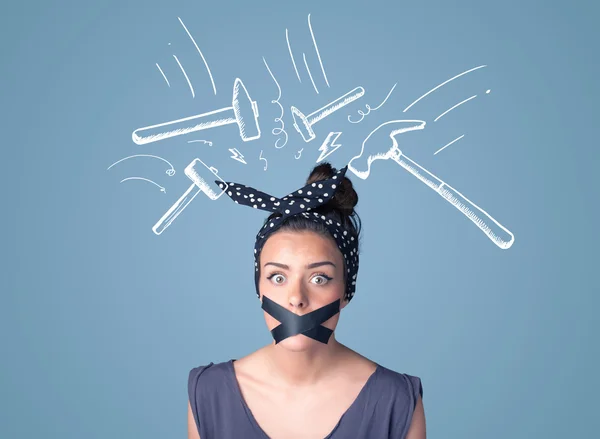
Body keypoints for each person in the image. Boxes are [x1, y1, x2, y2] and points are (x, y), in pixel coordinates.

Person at [187, 162, 426, 439]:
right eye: (277, 277)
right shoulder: (208, 393)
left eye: (319, 278)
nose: (296, 299)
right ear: (258, 288)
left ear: (346, 291)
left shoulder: (396, 401)